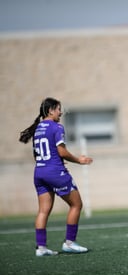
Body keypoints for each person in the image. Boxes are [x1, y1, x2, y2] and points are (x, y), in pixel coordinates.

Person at [19, 97, 92, 257]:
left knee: (43, 211)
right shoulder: (57, 127)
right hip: (55, 172)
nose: (61, 112)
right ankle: (70, 243)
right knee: (76, 205)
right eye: (59, 109)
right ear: (51, 110)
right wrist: (78, 160)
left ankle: (41, 247)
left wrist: (51, 163)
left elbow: (37, 154)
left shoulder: (38, 128)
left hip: (39, 172)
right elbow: (61, 151)